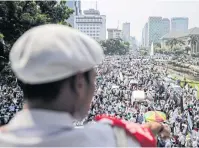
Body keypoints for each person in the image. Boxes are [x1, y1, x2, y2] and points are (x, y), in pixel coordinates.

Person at [0, 24, 170, 147]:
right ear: (79, 83)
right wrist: (160, 126)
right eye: (94, 79)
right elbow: (141, 133)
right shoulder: (109, 141)